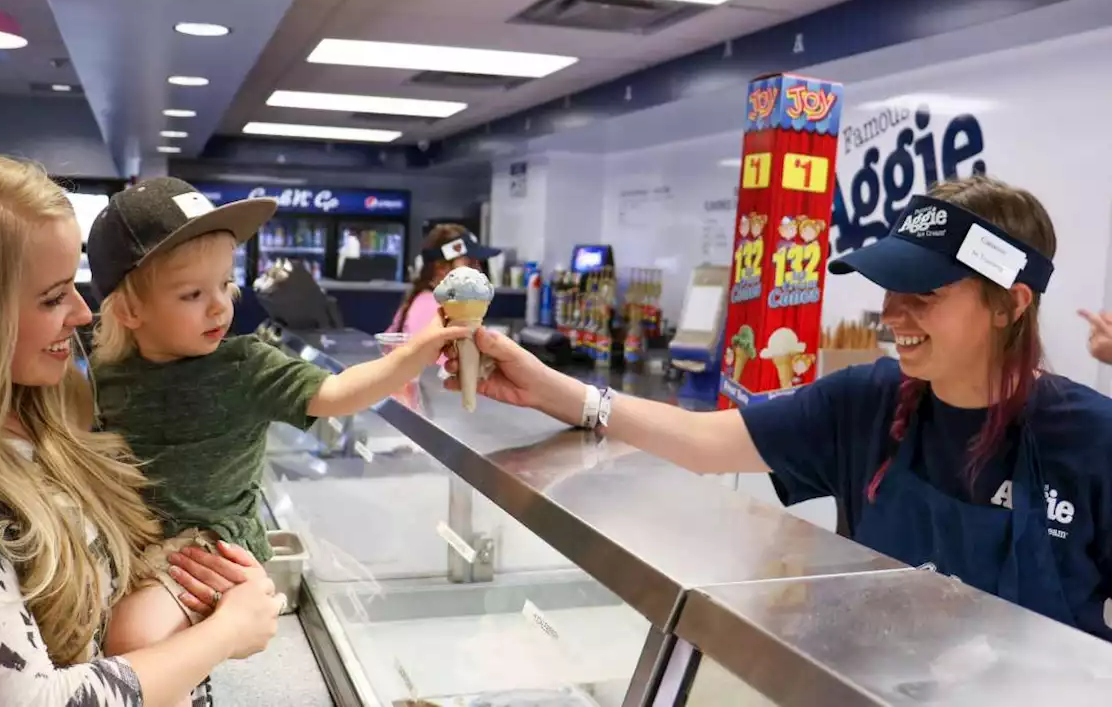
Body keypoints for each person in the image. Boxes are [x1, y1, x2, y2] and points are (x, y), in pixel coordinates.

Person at [444, 175, 1112, 641]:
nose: (892, 314)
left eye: (924, 292)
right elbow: (705, 443)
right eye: (889, 287)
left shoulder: (1092, 438)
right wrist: (551, 388)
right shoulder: (866, 401)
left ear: (1010, 304)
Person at [0, 153, 282, 706]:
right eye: (52, 297)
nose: (83, 314)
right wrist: (225, 634)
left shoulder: (49, 405)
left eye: (75, 286)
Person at [82, 178, 468, 686]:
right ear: (129, 310)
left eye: (225, 284)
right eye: (192, 293)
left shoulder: (245, 365)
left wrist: (416, 353)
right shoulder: (106, 373)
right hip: (126, 540)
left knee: (135, 643)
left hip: (208, 546)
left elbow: (338, 393)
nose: (220, 306)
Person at [389, 224, 501, 336]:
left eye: (478, 264)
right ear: (441, 267)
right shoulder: (433, 310)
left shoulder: (427, 300)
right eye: (470, 263)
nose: (478, 271)